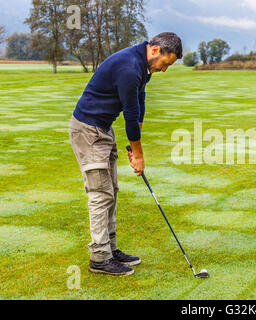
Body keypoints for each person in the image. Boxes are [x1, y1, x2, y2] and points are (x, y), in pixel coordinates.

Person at [69, 32, 183, 276]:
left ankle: (110, 248)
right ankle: (100, 257)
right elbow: (129, 115)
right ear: (155, 51)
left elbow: (139, 100)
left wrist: (135, 142)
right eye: (166, 64)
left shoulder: (142, 66)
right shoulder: (130, 67)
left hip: (103, 127)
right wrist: (139, 155)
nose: (164, 70)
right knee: (101, 194)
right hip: (88, 131)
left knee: (111, 190)